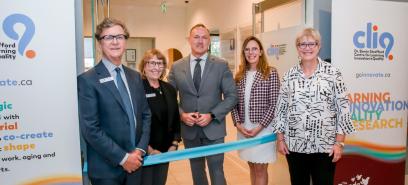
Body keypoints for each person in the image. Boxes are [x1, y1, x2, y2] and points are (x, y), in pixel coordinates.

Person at [273, 28, 356, 185]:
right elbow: (281, 109)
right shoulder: (289, 75)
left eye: (312, 43)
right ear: (297, 48)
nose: (307, 48)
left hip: (325, 147)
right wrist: (280, 139)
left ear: (319, 46)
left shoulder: (333, 74)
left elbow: (343, 110)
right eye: (302, 44)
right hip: (295, 146)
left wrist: (339, 143)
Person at [77, 17, 151, 185]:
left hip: (136, 163)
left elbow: (146, 115)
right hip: (106, 170)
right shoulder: (87, 81)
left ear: (125, 41)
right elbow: (90, 129)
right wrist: (123, 158)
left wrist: (139, 150)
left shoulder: (135, 77)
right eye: (108, 37)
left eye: (120, 36)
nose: (115, 42)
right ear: (99, 43)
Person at [168, 23, 238, 185]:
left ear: (209, 41)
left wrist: (212, 115)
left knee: (217, 170)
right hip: (189, 130)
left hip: (214, 129)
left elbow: (232, 96)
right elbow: (169, 99)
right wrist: (182, 115)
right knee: (197, 171)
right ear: (189, 40)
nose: (200, 41)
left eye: (204, 37)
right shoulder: (177, 67)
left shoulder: (221, 65)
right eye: (196, 37)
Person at [231, 36, 280, 185]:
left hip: (263, 130)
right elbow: (233, 103)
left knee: (260, 168)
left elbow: (274, 104)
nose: (250, 52)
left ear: (260, 52)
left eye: (254, 49)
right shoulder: (239, 75)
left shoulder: (270, 73)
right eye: (247, 49)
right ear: (243, 53)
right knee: (251, 166)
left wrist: (259, 128)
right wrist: (238, 124)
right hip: (244, 130)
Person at [138, 49, 181, 185]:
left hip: (165, 151)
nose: (156, 67)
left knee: (160, 182)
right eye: (152, 63)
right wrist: (149, 149)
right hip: (145, 151)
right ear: (144, 66)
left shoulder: (169, 89)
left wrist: (174, 143)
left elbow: (175, 118)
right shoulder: (137, 89)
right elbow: (135, 123)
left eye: (160, 63)